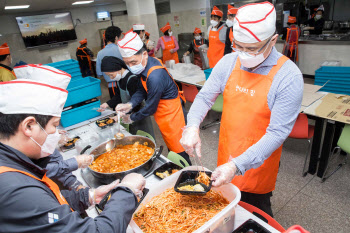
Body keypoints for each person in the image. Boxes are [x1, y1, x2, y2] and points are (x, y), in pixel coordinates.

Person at [180, 2, 303, 216]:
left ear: (273, 40)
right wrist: (192, 126)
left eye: (252, 49)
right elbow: (205, 97)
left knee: (256, 212)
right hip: (227, 152)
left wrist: (237, 165)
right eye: (239, 46)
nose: (244, 55)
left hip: (258, 162)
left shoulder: (288, 76)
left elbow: (277, 133)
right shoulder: (229, 62)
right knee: (227, 208)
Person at [0, 64, 146, 232]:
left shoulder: (13, 162)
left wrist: (88, 196)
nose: (56, 133)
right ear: (29, 126)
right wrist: (126, 191)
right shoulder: (16, 190)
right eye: (54, 125)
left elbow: (50, 201)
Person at [116, 32, 191, 165]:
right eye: (127, 64)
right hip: (164, 116)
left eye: (133, 62)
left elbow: (150, 107)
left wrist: (131, 118)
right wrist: (130, 104)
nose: (131, 67)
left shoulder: (155, 76)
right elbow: (141, 89)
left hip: (173, 116)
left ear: (144, 54)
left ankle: (188, 174)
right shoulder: (144, 65)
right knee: (172, 149)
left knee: (180, 151)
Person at [99, 56, 155, 138]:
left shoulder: (132, 79)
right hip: (128, 113)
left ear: (118, 69)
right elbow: (118, 96)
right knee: (133, 136)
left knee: (144, 137)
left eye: (111, 75)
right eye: (109, 76)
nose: (111, 78)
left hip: (139, 114)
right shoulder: (120, 79)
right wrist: (107, 104)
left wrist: (120, 116)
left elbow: (137, 104)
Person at [96, 26, 123, 98]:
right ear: (116, 37)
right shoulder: (121, 50)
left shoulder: (100, 53)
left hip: (112, 86)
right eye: (120, 37)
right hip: (125, 82)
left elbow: (99, 74)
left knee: (116, 106)